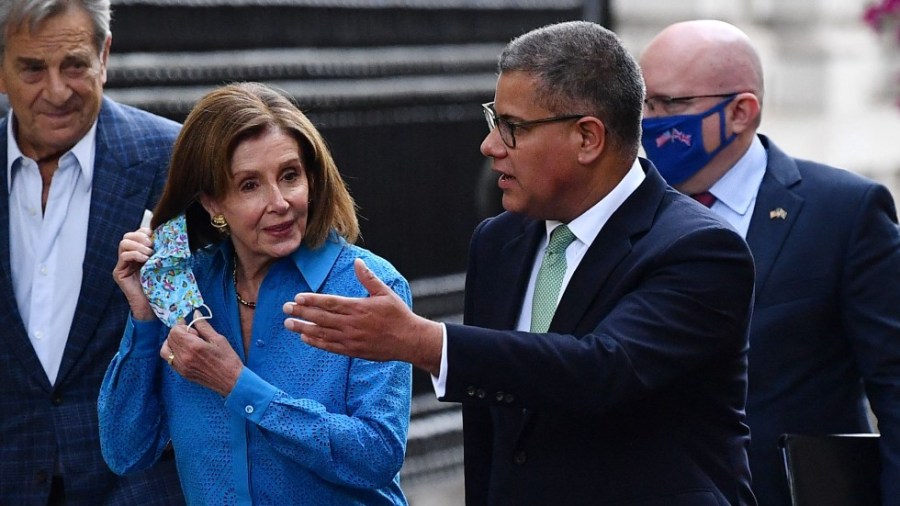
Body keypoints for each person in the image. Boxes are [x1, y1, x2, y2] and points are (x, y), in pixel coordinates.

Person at [283, 21, 758, 505]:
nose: (490, 146)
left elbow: (601, 372)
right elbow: (493, 427)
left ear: (587, 138)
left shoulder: (700, 249)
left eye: (512, 128)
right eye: (494, 122)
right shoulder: (499, 241)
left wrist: (424, 342)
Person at [98, 82, 412, 505]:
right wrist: (142, 317)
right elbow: (124, 451)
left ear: (313, 178)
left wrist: (238, 386)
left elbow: (377, 454)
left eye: (290, 175)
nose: (279, 202)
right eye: (250, 185)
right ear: (212, 203)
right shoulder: (183, 288)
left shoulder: (367, 285)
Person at [639, 19, 900, 506]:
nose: (652, 122)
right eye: (645, 103)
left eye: (672, 104)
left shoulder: (843, 212)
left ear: (741, 111)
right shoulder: (627, 209)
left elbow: (894, 381)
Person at [0, 0, 184, 503]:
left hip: (138, 485)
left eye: (74, 65)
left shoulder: (171, 162)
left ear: (105, 55)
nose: (56, 91)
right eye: (33, 68)